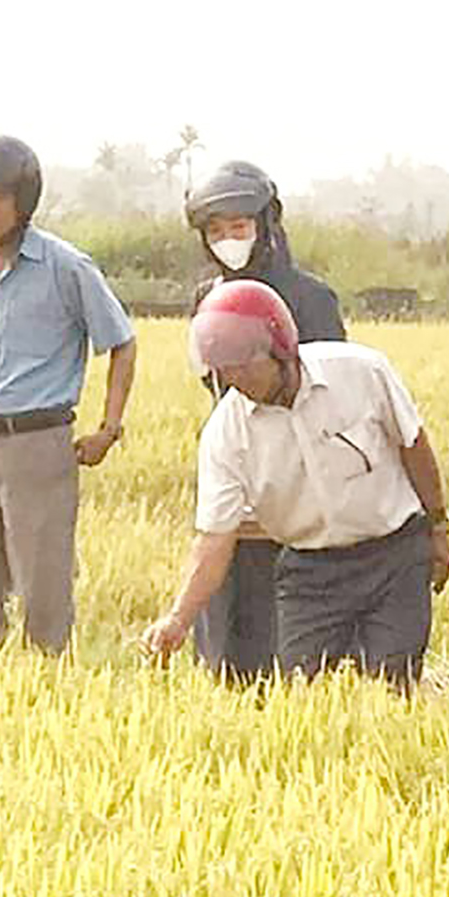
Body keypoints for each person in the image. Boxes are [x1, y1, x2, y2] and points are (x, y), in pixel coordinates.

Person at [141, 281, 449, 691]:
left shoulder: (362, 372)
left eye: (244, 363)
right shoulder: (226, 433)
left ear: (280, 346)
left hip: (392, 555)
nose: (235, 378)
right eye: (223, 369)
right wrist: (178, 619)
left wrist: (439, 527)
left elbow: (414, 445)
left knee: (392, 685)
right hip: (311, 572)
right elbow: (215, 539)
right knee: (303, 694)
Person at [0, 135, 137, 650]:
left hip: (38, 441)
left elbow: (121, 344)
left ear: (23, 199)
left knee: (43, 589)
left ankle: (48, 690)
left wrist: (108, 428)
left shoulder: (67, 267)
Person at [183, 161, 346, 684]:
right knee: (227, 625)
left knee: (291, 635)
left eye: (239, 227)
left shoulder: (311, 299)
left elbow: (330, 397)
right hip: (236, 475)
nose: (228, 240)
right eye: (215, 231)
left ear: (266, 226)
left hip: (297, 485)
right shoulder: (206, 301)